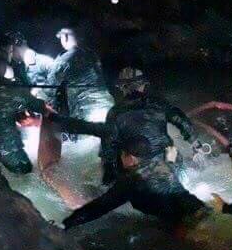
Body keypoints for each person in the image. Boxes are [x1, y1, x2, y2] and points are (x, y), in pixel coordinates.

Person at [50, 66, 202, 185]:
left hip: (137, 171)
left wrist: (107, 180)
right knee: (173, 153)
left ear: (123, 88)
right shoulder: (159, 104)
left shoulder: (115, 112)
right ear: (142, 86)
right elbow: (182, 121)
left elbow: (108, 149)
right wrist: (196, 144)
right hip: (168, 164)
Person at [63, 134, 209, 229]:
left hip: (182, 226)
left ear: (129, 157)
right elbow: (172, 157)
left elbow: (98, 208)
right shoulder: (162, 163)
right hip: (201, 211)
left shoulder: (132, 180)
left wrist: (67, 223)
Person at [0, 54, 49, 174]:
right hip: (8, 149)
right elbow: (40, 107)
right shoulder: (10, 89)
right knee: (26, 173)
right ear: (1, 70)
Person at [47, 27, 113, 122]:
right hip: (108, 107)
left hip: (87, 111)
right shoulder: (91, 54)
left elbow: (50, 88)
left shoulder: (64, 59)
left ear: (65, 37)